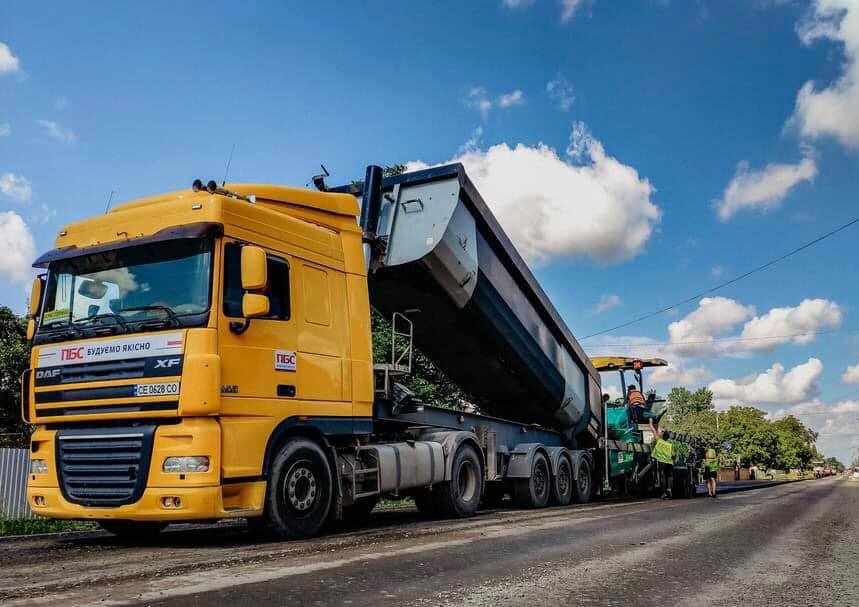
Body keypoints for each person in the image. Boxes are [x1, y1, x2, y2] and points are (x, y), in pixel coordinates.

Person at [649, 423, 676, 499]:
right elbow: (673, 454)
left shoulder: (659, 441)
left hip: (662, 462)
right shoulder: (670, 445)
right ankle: (669, 489)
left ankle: (664, 492)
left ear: (662, 436)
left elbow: (653, 431)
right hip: (669, 462)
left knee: (663, 476)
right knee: (670, 476)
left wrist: (650, 423)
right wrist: (673, 459)